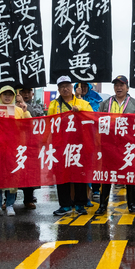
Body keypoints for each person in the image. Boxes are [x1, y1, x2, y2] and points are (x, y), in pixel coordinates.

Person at [96, 75, 135, 215]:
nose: (119, 87)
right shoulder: (105, 104)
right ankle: (103, 206)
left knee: (130, 176)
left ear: (127, 87)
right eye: (116, 85)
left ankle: (132, 205)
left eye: (122, 85)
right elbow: (98, 122)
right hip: (109, 146)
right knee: (107, 176)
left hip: (129, 146)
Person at [0, 86, 31, 217]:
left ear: (14, 96)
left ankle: (10, 204)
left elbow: (28, 126)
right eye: (5, 94)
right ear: (0, 95)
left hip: (13, 149)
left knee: (12, 178)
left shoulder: (19, 111)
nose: (7, 97)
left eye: (10, 94)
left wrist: (25, 112)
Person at [49, 76, 93, 216]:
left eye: (67, 85)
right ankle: (65, 205)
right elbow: (50, 123)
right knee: (62, 175)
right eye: (62, 86)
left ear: (72, 87)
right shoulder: (53, 104)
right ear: (58, 89)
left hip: (79, 145)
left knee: (79, 174)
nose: (65, 88)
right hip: (60, 145)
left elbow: (91, 118)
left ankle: (80, 204)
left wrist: (80, 110)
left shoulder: (82, 103)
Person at [17, 87, 43, 210]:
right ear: (19, 93)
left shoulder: (37, 106)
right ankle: (8, 199)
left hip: (31, 143)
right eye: (23, 92)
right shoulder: (11, 106)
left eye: (28, 92)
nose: (26, 94)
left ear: (32, 94)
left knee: (29, 172)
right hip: (15, 143)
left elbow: (37, 117)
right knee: (14, 171)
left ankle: (28, 199)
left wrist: (24, 105)